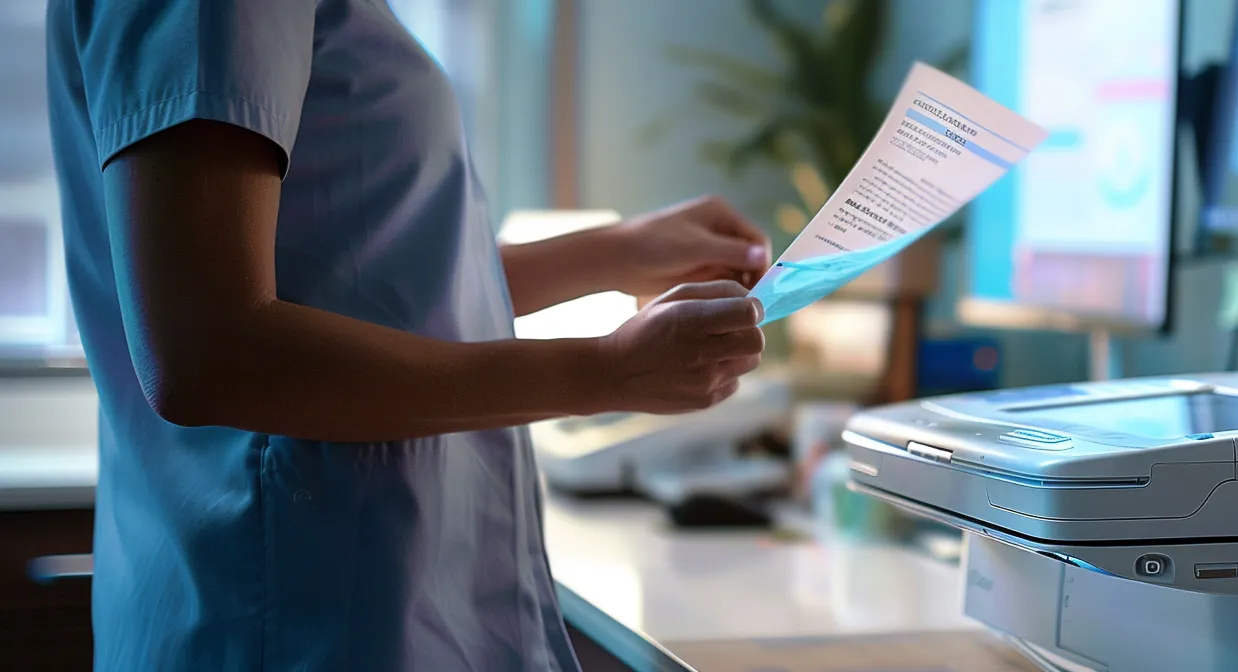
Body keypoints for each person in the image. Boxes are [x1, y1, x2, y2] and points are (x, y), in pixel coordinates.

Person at [45, 1, 769, 669]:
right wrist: (604, 372)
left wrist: (618, 253)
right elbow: (208, 351)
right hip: (294, 616)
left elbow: (369, 279)